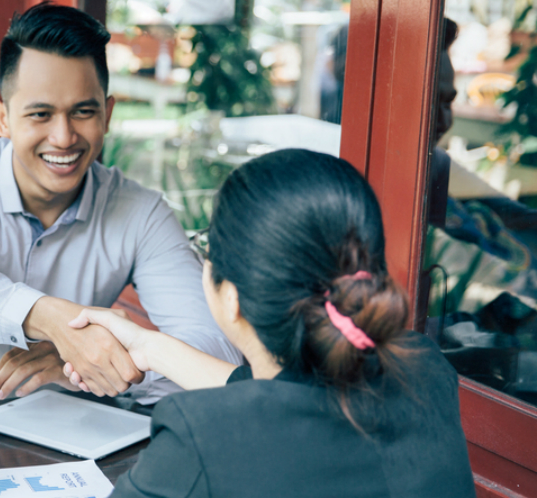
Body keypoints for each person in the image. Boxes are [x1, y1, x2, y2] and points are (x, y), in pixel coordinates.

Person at [0, 3, 241, 412]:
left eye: (83, 112)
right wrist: (52, 320)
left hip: (59, 430)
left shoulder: (141, 212)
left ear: (108, 114)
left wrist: (94, 357)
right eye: (40, 114)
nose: (64, 136)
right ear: (2, 118)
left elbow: (214, 351)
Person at [65, 149, 475, 497]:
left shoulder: (200, 440)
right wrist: (147, 347)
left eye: (206, 244)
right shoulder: (426, 371)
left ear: (232, 297)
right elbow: (280, 396)